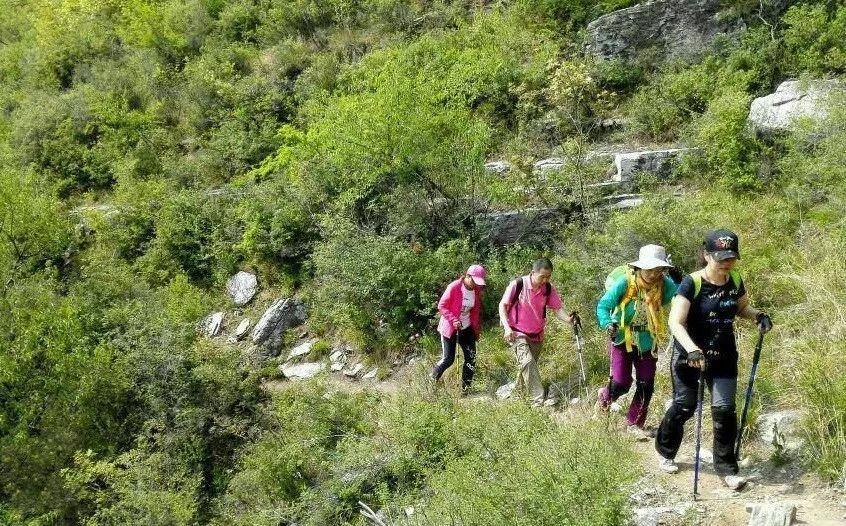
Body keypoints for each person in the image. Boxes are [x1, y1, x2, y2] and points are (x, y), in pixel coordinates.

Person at [655, 229, 773, 488]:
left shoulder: (735, 280)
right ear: (706, 255)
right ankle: (665, 451)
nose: (726, 262)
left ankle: (727, 469)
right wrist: (692, 349)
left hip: (723, 354)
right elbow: (675, 322)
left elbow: (741, 307)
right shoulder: (692, 282)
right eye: (721, 257)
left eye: (731, 257)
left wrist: (757, 316)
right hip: (690, 355)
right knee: (685, 406)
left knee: (724, 411)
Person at [596, 244, 677, 440]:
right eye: (649, 269)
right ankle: (603, 400)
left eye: (658, 269)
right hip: (623, 338)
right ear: (640, 267)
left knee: (646, 384)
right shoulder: (625, 283)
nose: (653, 274)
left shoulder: (665, 284)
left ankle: (635, 424)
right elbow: (603, 306)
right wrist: (608, 324)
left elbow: (679, 299)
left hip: (648, 339)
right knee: (622, 383)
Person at [498, 258, 579, 406]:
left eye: (548, 277)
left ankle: (517, 394)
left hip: (537, 334)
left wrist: (569, 319)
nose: (545, 280)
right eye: (542, 276)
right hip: (517, 332)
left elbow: (557, 309)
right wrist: (506, 328)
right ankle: (538, 401)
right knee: (528, 363)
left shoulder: (548, 288)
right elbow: (502, 305)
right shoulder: (518, 285)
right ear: (533, 273)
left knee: (528, 366)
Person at [432, 264, 487, 392]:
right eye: (474, 280)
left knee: (471, 358)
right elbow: (442, 306)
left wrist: (476, 327)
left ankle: (465, 389)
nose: (475, 284)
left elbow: (475, 310)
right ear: (467, 276)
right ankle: (432, 379)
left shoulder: (477, 290)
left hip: (467, 328)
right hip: (450, 327)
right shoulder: (454, 287)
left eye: (478, 282)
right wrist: (453, 319)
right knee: (448, 359)